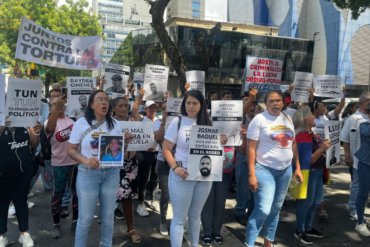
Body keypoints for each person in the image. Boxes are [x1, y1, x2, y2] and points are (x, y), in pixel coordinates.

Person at [162, 90, 228, 247]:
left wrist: (221, 142)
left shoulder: (208, 123)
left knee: (195, 215)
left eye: (195, 103)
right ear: (184, 104)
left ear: (202, 105)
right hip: (182, 175)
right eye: (188, 103)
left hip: (203, 177)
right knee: (179, 218)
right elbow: (166, 148)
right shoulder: (177, 123)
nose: (191, 106)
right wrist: (175, 167)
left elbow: (213, 150)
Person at [67, 90, 130, 247]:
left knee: (108, 216)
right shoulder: (80, 123)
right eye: (100, 99)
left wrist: (126, 142)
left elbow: (118, 153)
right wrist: (86, 161)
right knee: (86, 218)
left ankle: (107, 244)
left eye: (106, 100)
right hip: (88, 174)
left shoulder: (115, 124)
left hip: (111, 174)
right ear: (92, 104)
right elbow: (71, 150)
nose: (104, 102)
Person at [246, 90, 303, 247]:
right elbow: (250, 149)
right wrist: (251, 174)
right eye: (271, 101)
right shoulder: (259, 120)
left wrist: (297, 167)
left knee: (276, 209)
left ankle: (268, 243)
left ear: (283, 103)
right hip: (264, 169)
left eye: (278, 100)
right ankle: (249, 244)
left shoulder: (287, 118)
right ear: (266, 103)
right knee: (263, 209)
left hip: (285, 171)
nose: (275, 103)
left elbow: (294, 143)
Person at [291, 106, 334, 245]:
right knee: (306, 203)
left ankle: (308, 227)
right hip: (308, 173)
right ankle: (300, 230)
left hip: (317, 173)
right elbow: (307, 161)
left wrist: (330, 157)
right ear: (305, 120)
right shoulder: (302, 137)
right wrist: (322, 149)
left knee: (316, 201)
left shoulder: (311, 134)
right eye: (311, 114)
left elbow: (316, 154)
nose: (314, 116)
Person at [0, 115, 42, 247]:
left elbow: (34, 144)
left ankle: (24, 234)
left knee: (21, 201)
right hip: (3, 170)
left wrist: (36, 131)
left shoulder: (25, 121)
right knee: (2, 203)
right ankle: (2, 236)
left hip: (24, 170)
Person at [44, 96, 79, 239]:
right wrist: (56, 110)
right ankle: (56, 224)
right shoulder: (49, 121)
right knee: (57, 195)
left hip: (74, 163)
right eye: (54, 104)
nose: (59, 105)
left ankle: (76, 221)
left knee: (76, 195)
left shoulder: (72, 121)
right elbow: (49, 129)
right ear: (50, 108)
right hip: (58, 165)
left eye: (62, 103)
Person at [201, 126, 242, 245]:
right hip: (209, 169)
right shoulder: (207, 123)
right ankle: (207, 232)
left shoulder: (235, 127)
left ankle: (216, 231)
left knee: (220, 203)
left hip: (226, 170)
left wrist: (242, 136)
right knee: (207, 203)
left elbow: (242, 149)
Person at [111, 96, 141, 243]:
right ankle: (107, 233)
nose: (124, 108)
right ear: (114, 108)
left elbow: (143, 138)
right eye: (120, 106)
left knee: (128, 197)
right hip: (115, 164)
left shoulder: (133, 122)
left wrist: (146, 146)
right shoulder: (109, 124)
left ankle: (130, 229)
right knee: (109, 198)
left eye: (125, 106)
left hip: (131, 164)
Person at [341, 92, 370, 221]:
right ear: (365, 102)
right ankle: (354, 209)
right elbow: (345, 138)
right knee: (357, 184)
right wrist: (347, 155)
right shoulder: (353, 118)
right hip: (358, 158)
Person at [131, 88, 160, 216]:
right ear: (146, 109)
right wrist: (140, 97)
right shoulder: (141, 119)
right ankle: (141, 204)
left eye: (154, 107)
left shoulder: (159, 121)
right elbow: (133, 111)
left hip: (157, 153)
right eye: (150, 107)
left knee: (155, 178)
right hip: (144, 153)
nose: (152, 109)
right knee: (144, 178)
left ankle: (154, 200)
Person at [234, 89, 259, 226]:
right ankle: (240, 211)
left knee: (253, 186)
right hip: (243, 155)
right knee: (243, 186)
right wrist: (249, 99)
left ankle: (251, 210)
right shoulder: (241, 116)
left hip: (255, 156)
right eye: (249, 104)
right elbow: (239, 114)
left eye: (253, 104)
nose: (252, 107)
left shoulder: (255, 118)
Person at [353, 104, 370, 236]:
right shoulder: (364, 125)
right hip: (365, 163)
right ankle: (360, 222)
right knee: (363, 193)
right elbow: (366, 133)